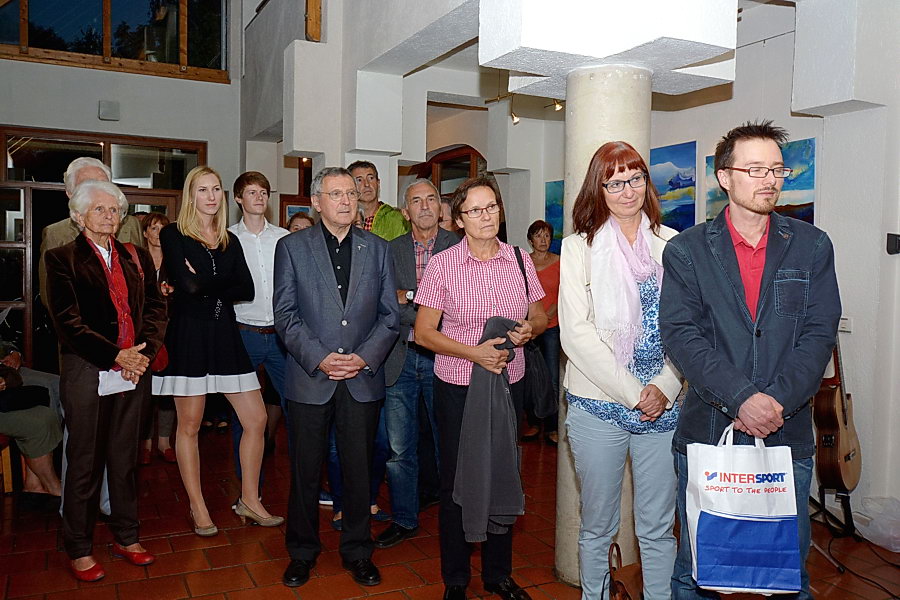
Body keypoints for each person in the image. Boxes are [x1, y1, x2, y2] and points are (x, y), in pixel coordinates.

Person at [660, 121, 841, 600]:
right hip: (709, 431)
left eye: (777, 170)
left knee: (786, 572)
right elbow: (682, 336)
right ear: (725, 177)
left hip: (786, 433)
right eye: (755, 169)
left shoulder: (812, 245)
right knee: (697, 568)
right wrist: (742, 398)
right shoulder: (687, 250)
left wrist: (774, 402)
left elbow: (819, 334)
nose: (770, 180)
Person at [558, 142, 684, 600]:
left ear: (647, 183)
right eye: (614, 183)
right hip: (599, 405)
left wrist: (665, 385)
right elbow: (576, 335)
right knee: (598, 526)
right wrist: (636, 393)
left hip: (664, 407)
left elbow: (690, 327)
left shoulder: (673, 244)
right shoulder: (578, 248)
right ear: (599, 189)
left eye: (635, 179)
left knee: (657, 527)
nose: (627, 191)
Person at [414, 176, 547, 600]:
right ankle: (456, 578)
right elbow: (423, 333)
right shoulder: (443, 265)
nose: (486, 216)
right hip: (459, 385)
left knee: (503, 472)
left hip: (509, 383)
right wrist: (474, 353)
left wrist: (530, 329)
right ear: (458, 219)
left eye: (492, 207)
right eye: (475, 210)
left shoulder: (519, 260)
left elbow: (540, 314)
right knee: (459, 479)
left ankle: (497, 574)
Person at [274, 167, 399, 589]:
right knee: (305, 470)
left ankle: (358, 551)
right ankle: (302, 553)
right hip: (310, 378)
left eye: (350, 193)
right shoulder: (292, 247)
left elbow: (390, 316)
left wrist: (362, 358)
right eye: (336, 193)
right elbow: (285, 315)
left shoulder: (378, 249)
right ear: (316, 201)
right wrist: (321, 358)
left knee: (359, 469)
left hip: (361, 379)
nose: (346, 200)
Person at [45, 180, 167, 581]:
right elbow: (67, 322)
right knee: (84, 462)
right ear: (79, 216)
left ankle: (126, 537)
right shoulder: (61, 258)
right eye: (99, 209)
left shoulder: (136, 256)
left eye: (114, 209)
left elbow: (155, 308)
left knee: (125, 459)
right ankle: (79, 548)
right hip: (88, 370)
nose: (109, 215)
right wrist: (116, 355)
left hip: (134, 371)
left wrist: (142, 355)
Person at [153, 166, 282, 538]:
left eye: (216, 189)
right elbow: (188, 285)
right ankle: (198, 507)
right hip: (189, 336)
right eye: (202, 189)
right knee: (190, 425)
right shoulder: (173, 233)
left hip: (226, 334)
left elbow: (247, 289)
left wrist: (202, 280)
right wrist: (212, 282)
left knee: (256, 418)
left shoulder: (229, 239)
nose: (211, 196)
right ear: (190, 194)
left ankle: (249, 500)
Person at [375, 179, 460, 549]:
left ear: (440, 208)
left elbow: (459, 307)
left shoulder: (459, 247)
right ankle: (405, 519)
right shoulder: (388, 250)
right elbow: (382, 305)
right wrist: (427, 304)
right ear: (405, 211)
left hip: (446, 358)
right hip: (400, 358)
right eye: (416, 201)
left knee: (449, 445)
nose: (425, 206)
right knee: (399, 450)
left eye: (431, 199)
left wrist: (408, 298)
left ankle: (456, 521)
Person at [228, 171, 290, 482]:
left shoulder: (284, 238)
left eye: (264, 192)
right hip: (243, 334)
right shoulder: (226, 239)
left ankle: (305, 485)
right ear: (239, 198)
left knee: (299, 408)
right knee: (244, 416)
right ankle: (248, 489)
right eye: (252, 192)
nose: (259, 197)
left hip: (281, 336)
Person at [39, 157, 144, 309]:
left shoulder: (131, 225)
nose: (98, 192)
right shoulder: (56, 234)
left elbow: (144, 290)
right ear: (70, 194)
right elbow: (51, 298)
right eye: (87, 186)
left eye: (103, 185)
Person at [139, 212, 177, 465]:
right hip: (143, 333)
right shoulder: (135, 259)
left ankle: (164, 442)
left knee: (167, 389)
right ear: (145, 233)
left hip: (171, 331)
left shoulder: (174, 261)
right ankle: (144, 442)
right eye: (153, 228)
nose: (158, 233)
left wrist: (173, 292)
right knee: (144, 391)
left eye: (163, 228)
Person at [525, 219, 561, 445]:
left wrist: (545, 317)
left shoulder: (559, 262)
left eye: (547, 235)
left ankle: (551, 427)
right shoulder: (523, 263)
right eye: (538, 235)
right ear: (531, 240)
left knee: (551, 378)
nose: (543, 240)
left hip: (551, 327)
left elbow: (563, 292)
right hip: (528, 328)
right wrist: (532, 322)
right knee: (529, 378)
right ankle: (533, 423)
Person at [348, 160, 409, 240]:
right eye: (359, 180)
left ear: (378, 183)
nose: (367, 184)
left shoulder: (397, 220)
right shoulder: (344, 219)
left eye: (371, 178)